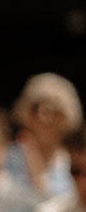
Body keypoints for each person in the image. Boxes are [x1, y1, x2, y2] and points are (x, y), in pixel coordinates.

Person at [6, 72, 82, 202]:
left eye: (55, 110)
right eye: (36, 109)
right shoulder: (6, 158)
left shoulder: (76, 164)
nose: (44, 118)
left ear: (67, 117)